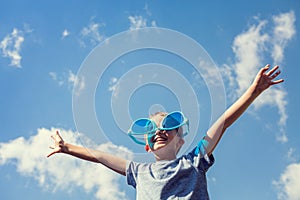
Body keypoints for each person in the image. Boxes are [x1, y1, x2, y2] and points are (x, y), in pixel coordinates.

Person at [48, 64, 284, 200]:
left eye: (168, 127)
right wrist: (66, 147)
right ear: (148, 145)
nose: (160, 131)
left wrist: (253, 92)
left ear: (180, 141)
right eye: (152, 130)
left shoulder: (194, 161)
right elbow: (100, 156)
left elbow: (223, 122)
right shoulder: (138, 171)